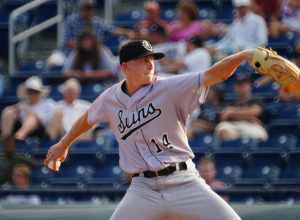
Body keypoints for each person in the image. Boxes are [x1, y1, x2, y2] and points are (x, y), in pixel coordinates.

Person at [44, 39, 255, 220]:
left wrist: (245, 55)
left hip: (183, 182)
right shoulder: (110, 97)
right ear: (125, 67)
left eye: (152, 58)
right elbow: (88, 119)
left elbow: (214, 74)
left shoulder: (170, 86)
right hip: (143, 189)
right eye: (143, 59)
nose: (150, 63)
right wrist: (64, 144)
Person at [1, 76, 55, 151]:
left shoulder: (48, 104)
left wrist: (27, 110)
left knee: (32, 118)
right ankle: (6, 140)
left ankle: (18, 139)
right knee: (8, 111)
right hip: (22, 127)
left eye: (35, 91)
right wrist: (15, 112)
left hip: (42, 132)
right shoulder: (22, 104)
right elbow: (16, 113)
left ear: (40, 92)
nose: (32, 94)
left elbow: (43, 121)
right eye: (30, 91)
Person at [215, 75, 268, 141]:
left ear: (250, 86)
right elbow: (223, 117)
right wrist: (249, 117)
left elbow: (255, 111)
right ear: (235, 87)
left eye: (244, 84)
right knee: (222, 128)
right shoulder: (231, 103)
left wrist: (231, 112)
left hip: (252, 127)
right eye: (239, 85)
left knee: (260, 134)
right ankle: (237, 145)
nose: (241, 87)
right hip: (235, 126)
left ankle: (242, 142)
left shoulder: (256, 100)